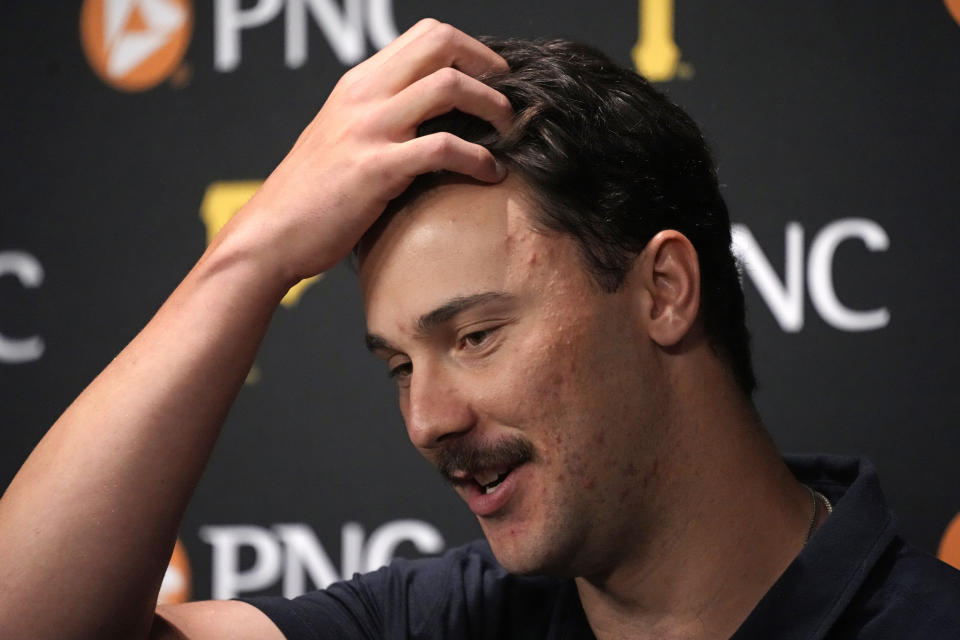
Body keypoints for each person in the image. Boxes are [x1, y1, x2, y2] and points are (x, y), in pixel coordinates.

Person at [0, 19, 957, 640]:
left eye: (474, 336)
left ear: (664, 290)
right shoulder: (441, 623)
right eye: (397, 366)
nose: (427, 420)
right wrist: (250, 258)